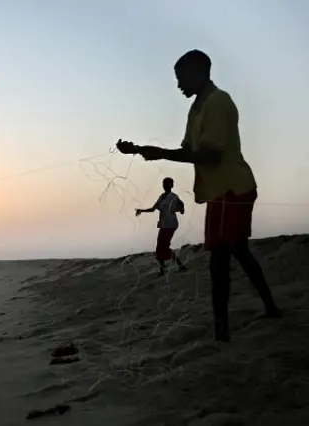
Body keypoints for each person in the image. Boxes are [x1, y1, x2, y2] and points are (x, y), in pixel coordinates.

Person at [116, 49, 280, 343]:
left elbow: (210, 155)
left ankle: (222, 332)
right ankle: (270, 308)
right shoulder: (196, 109)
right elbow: (188, 152)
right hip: (221, 192)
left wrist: (161, 153)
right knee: (239, 251)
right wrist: (143, 150)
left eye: (181, 78)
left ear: (199, 72)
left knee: (219, 258)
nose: (178, 85)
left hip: (231, 189)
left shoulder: (218, 102)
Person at [136, 177, 186, 276]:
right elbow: (153, 209)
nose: (164, 186)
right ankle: (171, 268)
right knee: (161, 247)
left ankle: (169, 268)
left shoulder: (174, 196)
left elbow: (182, 207)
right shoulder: (161, 197)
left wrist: (181, 209)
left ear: (171, 185)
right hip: (164, 224)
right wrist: (141, 210)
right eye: (163, 184)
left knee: (163, 246)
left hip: (170, 224)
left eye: (167, 184)